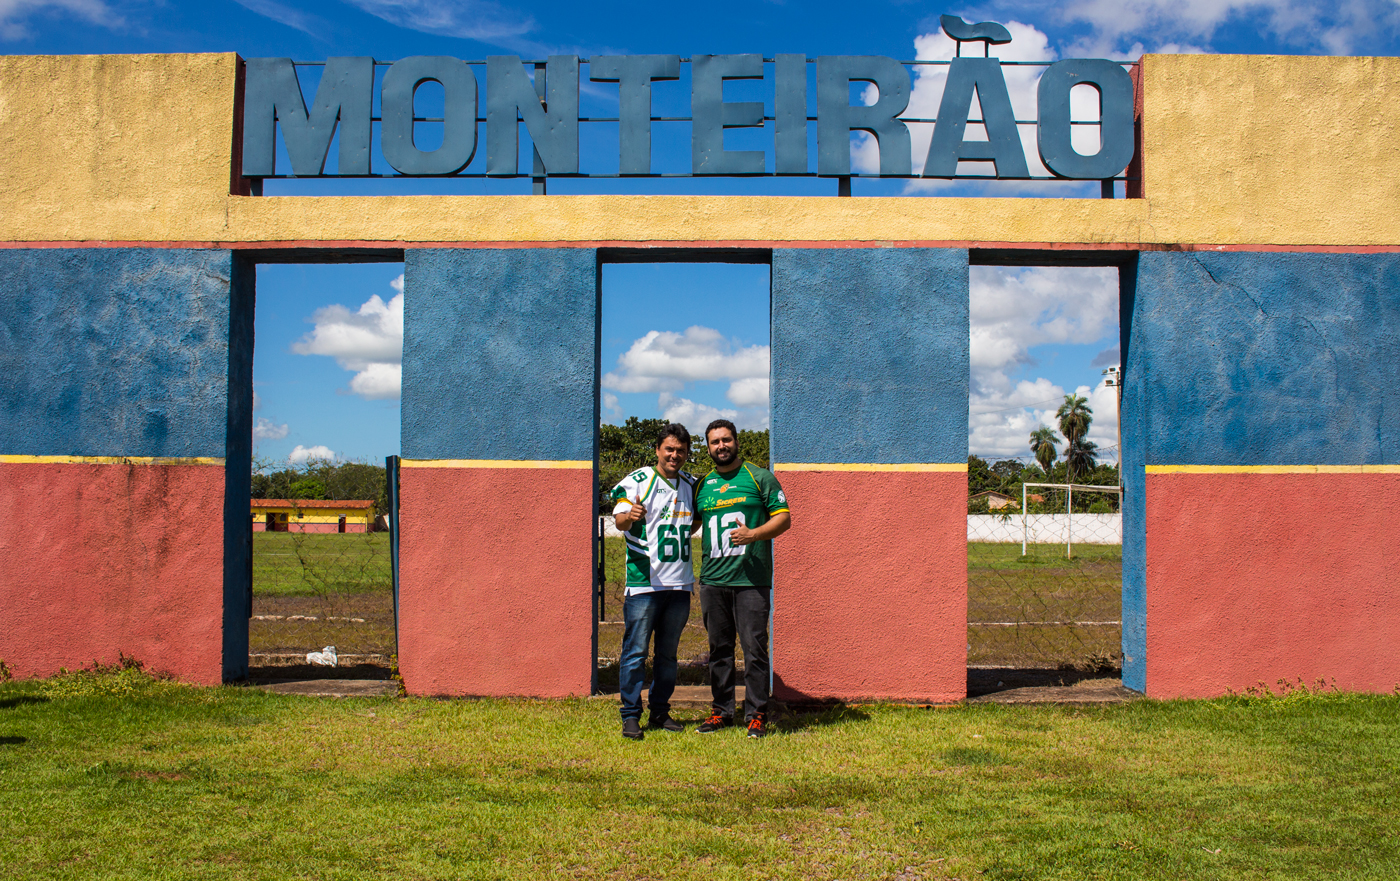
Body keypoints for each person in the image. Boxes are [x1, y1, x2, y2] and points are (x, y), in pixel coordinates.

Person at [693, 419, 790, 738]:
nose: (720, 446)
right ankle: (721, 712)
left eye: (725, 440)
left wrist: (754, 534)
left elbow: (784, 519)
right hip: (713, 580)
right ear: (707, 447)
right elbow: (691, 524)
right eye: (714, 442)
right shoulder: (702, 484)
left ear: (736, 441)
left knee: (754, 649)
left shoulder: (759, 477)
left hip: (751, 581)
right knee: (719, 649)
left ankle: (756, 714)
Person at [609, 423, 698, 741]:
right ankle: (631, 715)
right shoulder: (639, 479)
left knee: (667, 654)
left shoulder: (690, 483)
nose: (675, 455)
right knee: (635, 652)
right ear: (658, 449)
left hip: (679, 584)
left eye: (681, 450)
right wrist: (628, 516)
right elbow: (619, 518)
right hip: (645, 583)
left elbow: (697, 518)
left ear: (687, 453)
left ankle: (660, 711)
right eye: (669, 449)